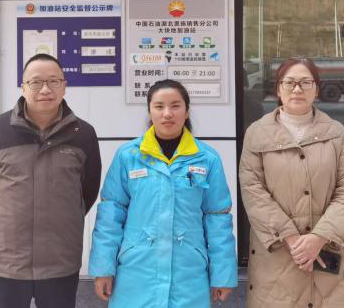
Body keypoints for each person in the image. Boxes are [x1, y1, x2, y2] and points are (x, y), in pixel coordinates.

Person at [0, 53, 101, 308]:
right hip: (7, 259)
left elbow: (88, 189)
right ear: (23, 87)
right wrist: (2, 224)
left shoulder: (83, 134)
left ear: (64, 85)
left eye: (54, 81)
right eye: (36, 82)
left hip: (60, 258)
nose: (45, 89)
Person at [89, 79, 237, 308]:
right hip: (136, 271)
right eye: (159, 106)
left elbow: (218, 218)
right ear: (150, 111)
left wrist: (222, 274)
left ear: (187, 111)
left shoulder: (206, 158)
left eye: (175, 106)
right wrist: (103, 269)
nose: (167, 113)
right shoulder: (129, 156)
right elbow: (110, 215)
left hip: (188, 272)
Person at [239, 57, 344, 308]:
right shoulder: (257, 133)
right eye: (290, 82)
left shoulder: (337, 133)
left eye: (306, 82)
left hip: (326, 251)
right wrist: (292, 239)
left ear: (316, 89)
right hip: (278, 255)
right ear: (278, 89)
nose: (297, 89)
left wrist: (319, 237)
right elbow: (253, 191)